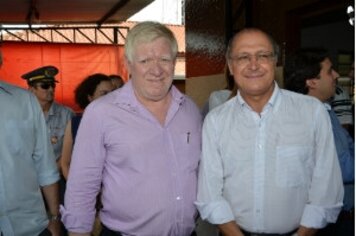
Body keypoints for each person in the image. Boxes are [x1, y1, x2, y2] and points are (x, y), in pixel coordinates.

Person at [196, 28, 344, 236]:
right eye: (243, 57)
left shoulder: (312, 112)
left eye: (263, 56)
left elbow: (326, 192)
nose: (254, 65)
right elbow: (210, 196)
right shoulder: (216, 121)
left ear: (275, 62)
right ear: (231, 66)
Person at [61, 21, 202, 236]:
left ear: (174, 62)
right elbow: (82, 186)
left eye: (164, 59)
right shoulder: (101, 112)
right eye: (145, 60)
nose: (156, 70)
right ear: (128, 64)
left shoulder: (190, 110)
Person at [284, 48, 354, 235]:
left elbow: (349, 146)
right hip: (324, 224)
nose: (337, 75)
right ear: (312, 81)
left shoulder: (326, 110)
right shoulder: (304, 117)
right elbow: (342, 168)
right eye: (330, 70)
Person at [0, 51, 61, 235]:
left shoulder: (24, 101)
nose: (50, 89)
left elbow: (45, 165)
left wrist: (55, 217)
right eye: (44, 85)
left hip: (30, 225)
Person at [61, 73, 115, 180]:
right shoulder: (75, 123)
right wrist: (78, 189)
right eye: (104, 94)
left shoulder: (121, 123)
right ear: (90, 97)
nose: (110, 98)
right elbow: (65, 163)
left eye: (113, 93)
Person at [21, 65, 74, 166]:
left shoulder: (67, 114)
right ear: (32, 90)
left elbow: (72, 149)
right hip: (27, 174)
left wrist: (53, 174)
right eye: (45, 86)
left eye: (53, 85)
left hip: (58, 174)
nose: (51, 89)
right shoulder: (20, 113)